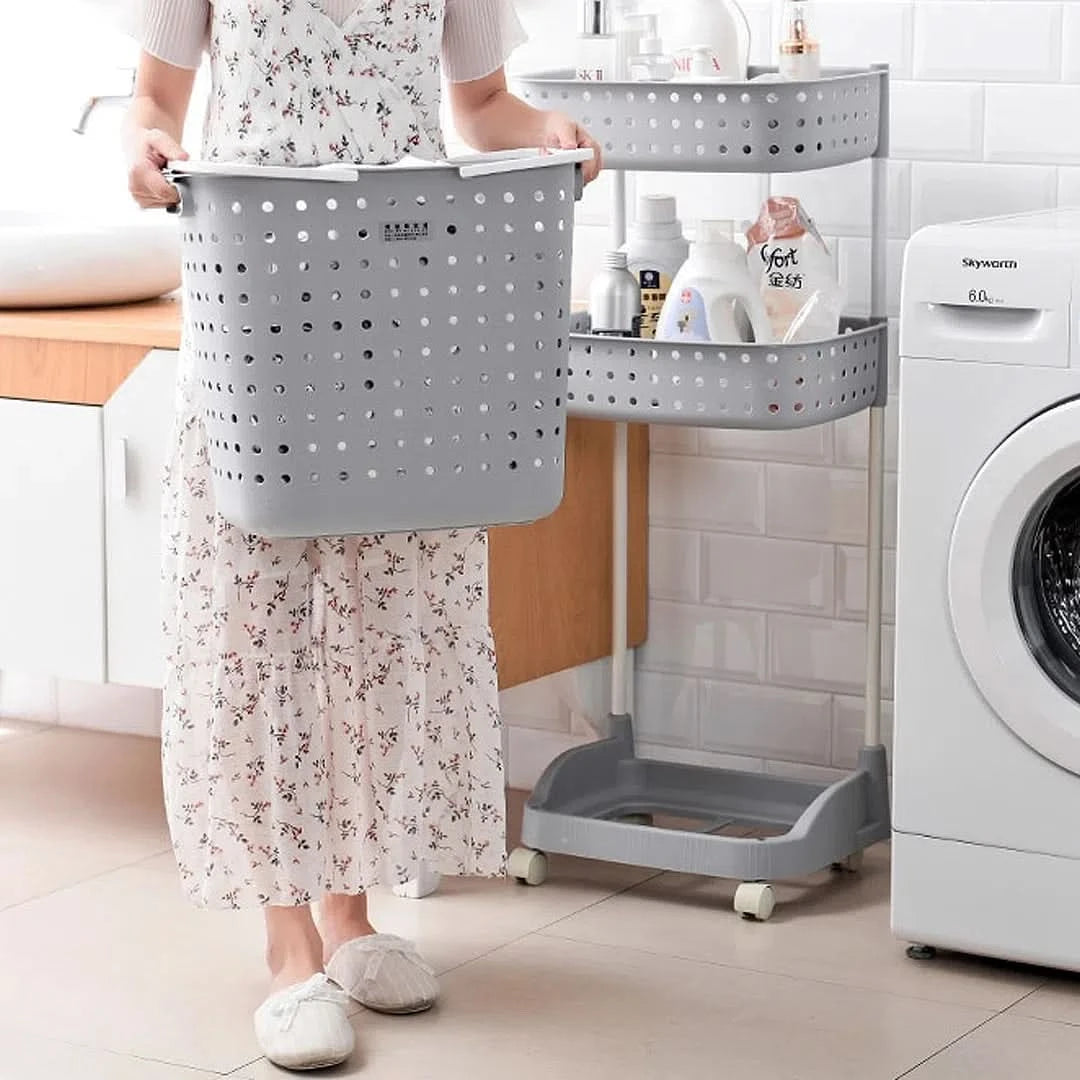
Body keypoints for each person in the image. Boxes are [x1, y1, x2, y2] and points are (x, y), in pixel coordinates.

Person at [125, 0, 601, 1069]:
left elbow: (480, 108)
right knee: (258, 625)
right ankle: (287, 941)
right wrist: (148, 147)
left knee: (383, 617)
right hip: (255, 303)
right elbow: (156, 99)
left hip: (405, 306)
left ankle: (351, 916)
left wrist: (549, 134)